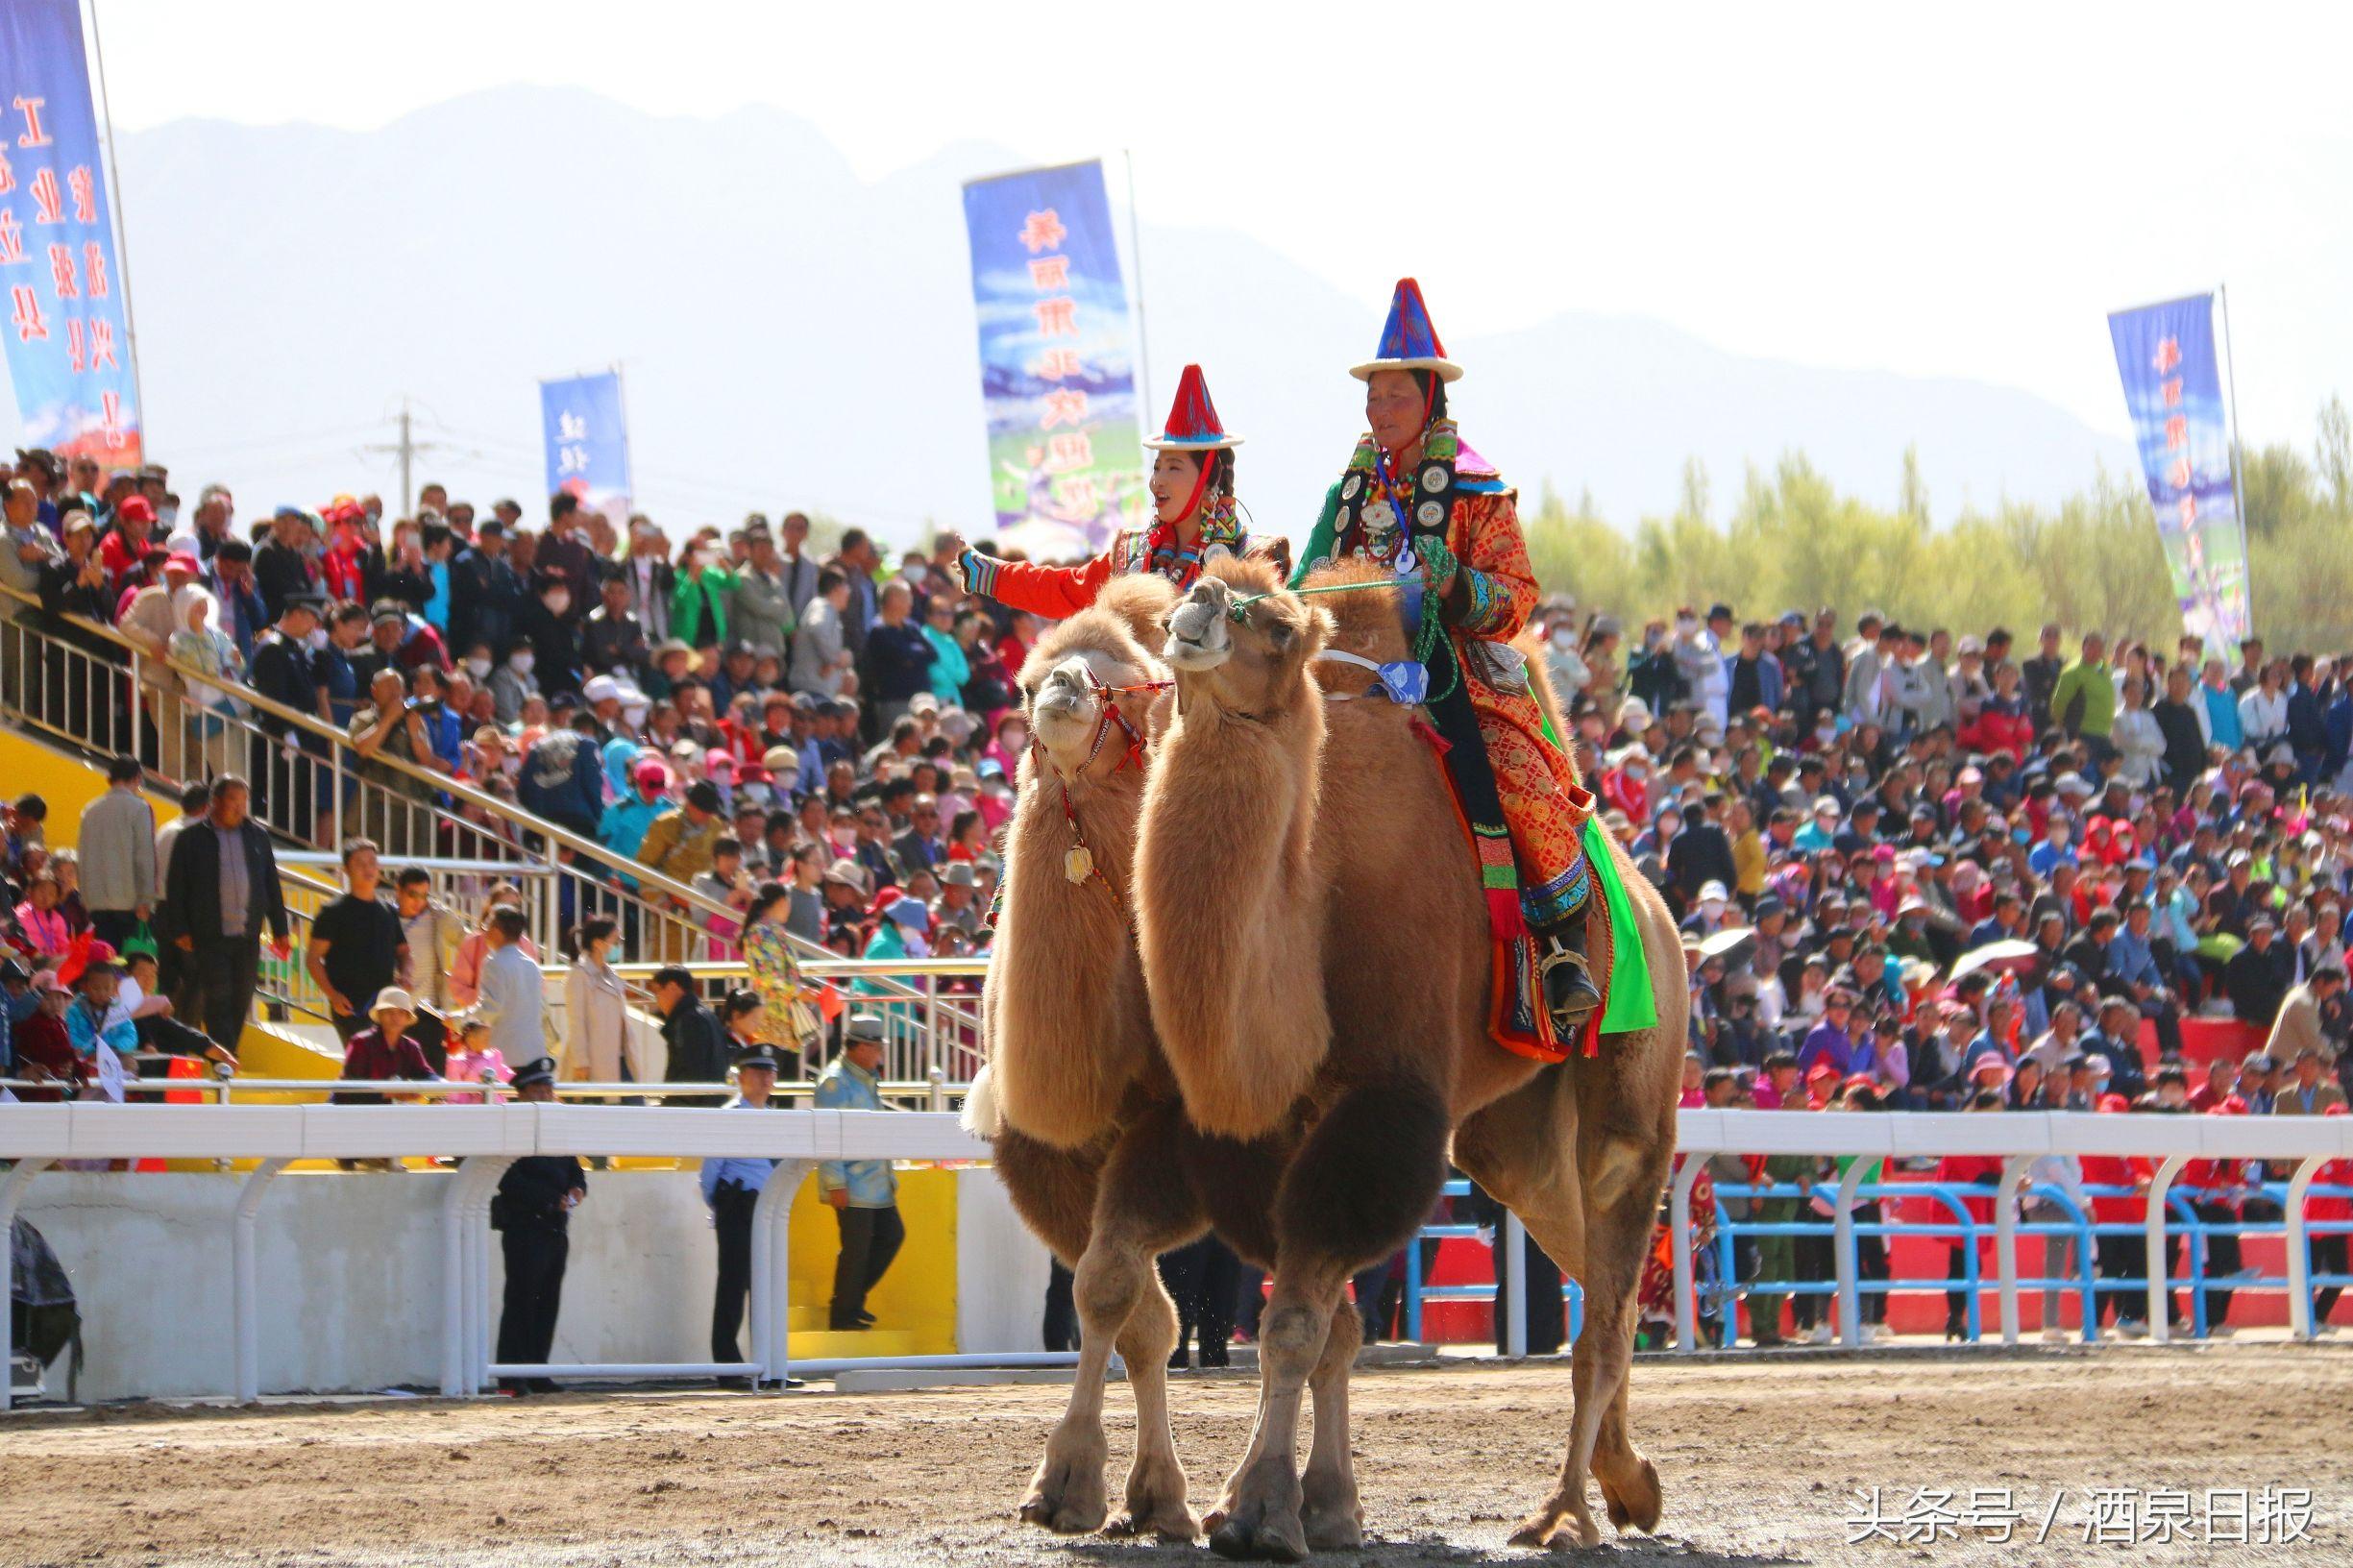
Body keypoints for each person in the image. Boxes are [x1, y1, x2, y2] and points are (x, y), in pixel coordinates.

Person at [1292, 281, 1612, 1044]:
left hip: (1452, 669)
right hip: (1347, 673)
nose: (1378, 412)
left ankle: (1560, 949)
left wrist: (1456, 582)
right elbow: (1307, 578)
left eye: (1395, 396)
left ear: (1428, 399)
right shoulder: (1347, 491)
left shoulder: (1477, 490)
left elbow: (1516, 597)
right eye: (1372, 397)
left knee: (1517, 778)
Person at [952, 363, 1254, 616]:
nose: (1156, 481)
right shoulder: (1131, 555)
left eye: (1173, 467)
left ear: (1209, 481)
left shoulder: (1250, 561)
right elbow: (1066, 590)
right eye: (1156, 467)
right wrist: (990, 574)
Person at [159, 775, 291, 1050]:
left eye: (244, 801)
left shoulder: (258, 837)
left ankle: (224, 1055)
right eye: (233, 800)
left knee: (241, 998)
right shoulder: (191, 839)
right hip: (209, 935)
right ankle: (227, 1060)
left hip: (248, 935)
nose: (239, 807)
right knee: (218, 997)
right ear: (215, 802)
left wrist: (280, 928)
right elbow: (177, 886)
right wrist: (180, 929)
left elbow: (271, 883)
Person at [492, 1056, 585, 1394]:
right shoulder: (512, 1129)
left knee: (547, 1300)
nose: (546, 1095)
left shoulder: (557, 1129)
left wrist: (577, 1189)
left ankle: (537, 1369)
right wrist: (549, 1198)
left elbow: (574, 1169)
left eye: (549, 1089)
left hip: (555, 1227)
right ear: (522, 1092)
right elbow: (507, 1179)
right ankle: (511, 1375)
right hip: (524, 1226)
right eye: (538, 1089)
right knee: (520, 1299)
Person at [814, 1014, 903, 1330]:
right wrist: (835, 1182)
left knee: (891, 1236)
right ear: (862, 1047)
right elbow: (827, 1136)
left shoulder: (863, 1078)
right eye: (877, 1047)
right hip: (852, 1185)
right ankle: (843, 1312)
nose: (881, 1054)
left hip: (875, 1184)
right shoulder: (835, 1082)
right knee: (857, 1250)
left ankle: (850, 1300)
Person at [700, 1043, 782, 1381]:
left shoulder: (776, 1119)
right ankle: (728, 1367)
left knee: (768, 1289)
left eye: (769, 1073)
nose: (764, 1079)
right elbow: (709, 1176)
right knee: (734, 1287)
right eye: (756, 1072)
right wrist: (724, 1208)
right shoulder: (731, 1116)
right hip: (738, 1208)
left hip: (768, 1211)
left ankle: (771, 1366)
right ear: (741, 1077)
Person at [306, 837, 408, 1042]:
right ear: (346, 869)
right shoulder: (333, 911)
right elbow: (313, 959)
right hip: (351, 1008)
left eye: (372, 862)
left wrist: (405, 976)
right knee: (360, 1067)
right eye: (360, 863)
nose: (368, 869)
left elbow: (403, 951)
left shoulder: (388, 911)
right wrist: (333, 995)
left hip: (385, 1008)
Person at [76, 753, 158, 954]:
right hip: (128, 900)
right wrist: (146, 899)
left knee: (105, 959)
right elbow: (144, 857)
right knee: (129, 963)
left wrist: (85, 896)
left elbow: (82, 854)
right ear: (138, 777)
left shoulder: (90, 809)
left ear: (109, 778)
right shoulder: (140, 808)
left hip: (96, 900)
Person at [393, 867, 468, 1068]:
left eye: (424, 895)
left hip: (430, 1013)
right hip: (395, 1013)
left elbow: (468, 943)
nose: (419, 902)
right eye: (412, 894)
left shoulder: (437, 917)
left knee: (435, 1083)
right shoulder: (385, 918)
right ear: (397, 890)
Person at [470, 906, 551, 1069]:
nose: (484, 931)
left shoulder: (494, 963)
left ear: (497, 931)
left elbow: (491, 1008)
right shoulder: (532, 965)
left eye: (487, 925)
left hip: (506, 1058)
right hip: (535, 1053)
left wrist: (461, 1020)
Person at [562, 915, 637, 1085]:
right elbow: (576, 1021)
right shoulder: (579, 975)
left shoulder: (611, 974)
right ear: (598, 943)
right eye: (614, 941)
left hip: (618, 1057)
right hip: (593, 1063)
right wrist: (581, 1061)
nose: (617, 947)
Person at [651, 964, 728, 1101]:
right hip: (712, 1103)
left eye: (657, 991)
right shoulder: (708, 1017)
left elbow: (691, 1073)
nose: (656, 999)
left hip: (692, 1109)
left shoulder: (689, 1021)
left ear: (672, 987)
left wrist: (673, 1105)